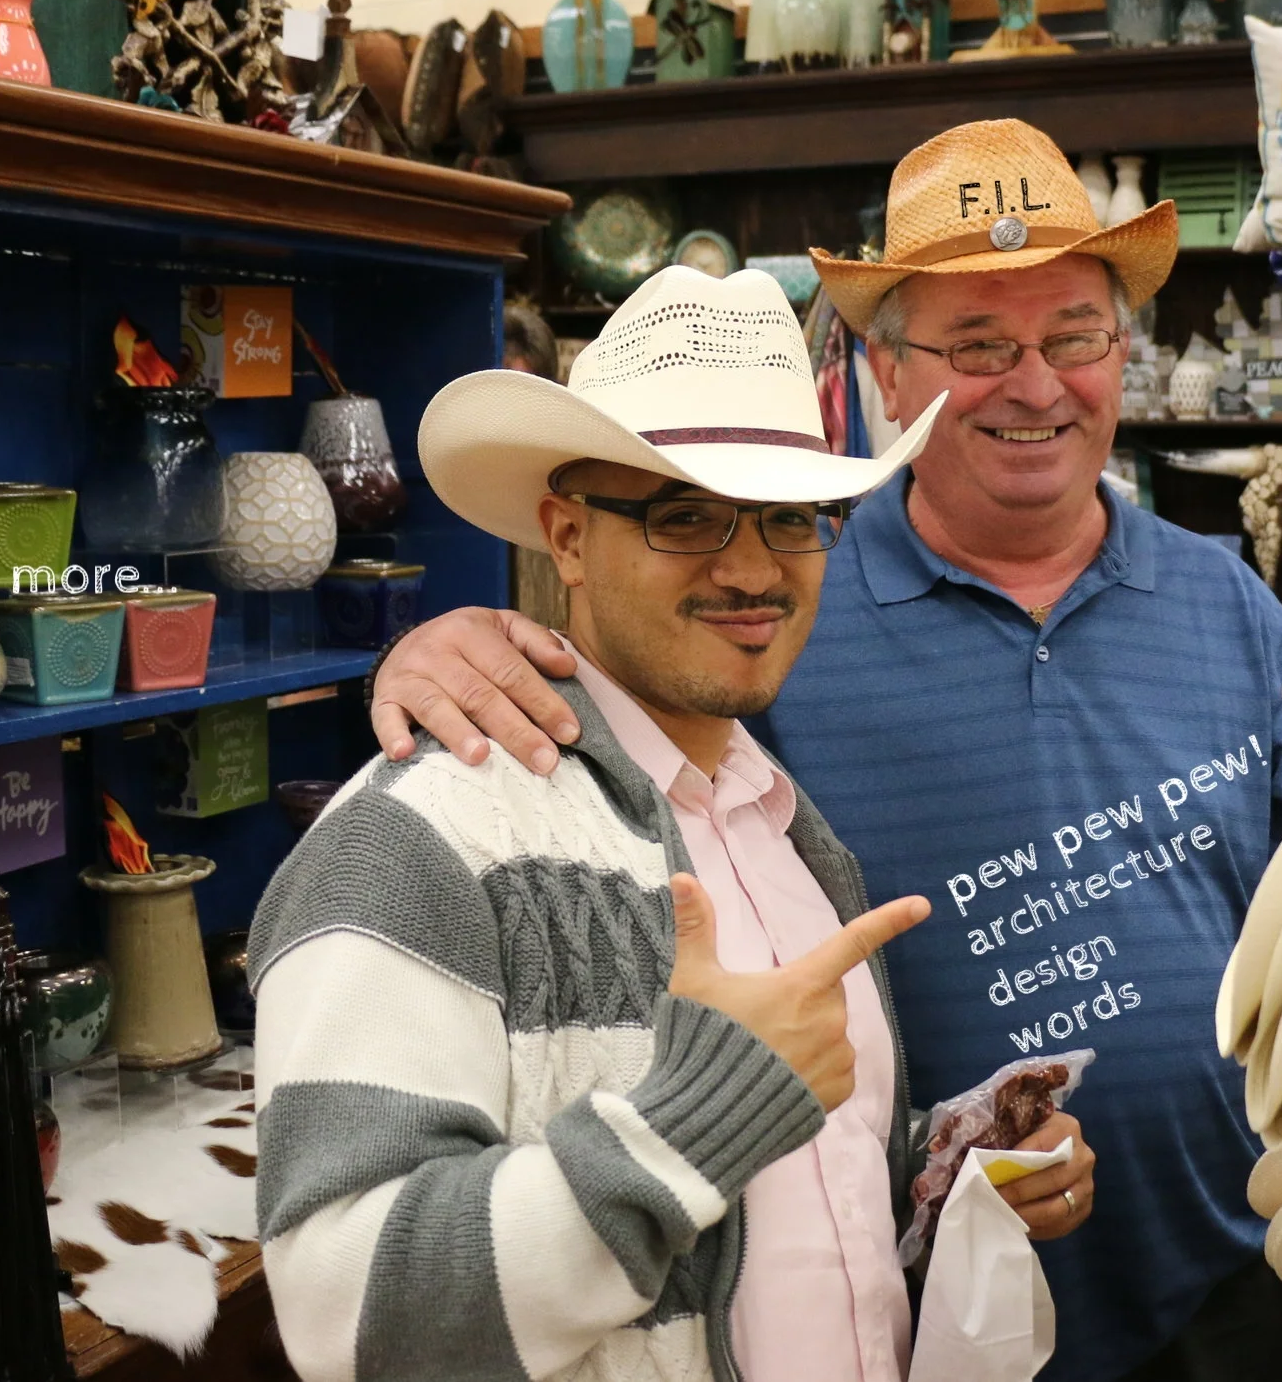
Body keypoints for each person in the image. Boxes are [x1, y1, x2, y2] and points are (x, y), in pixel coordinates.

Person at [370, 122, 1282, 1382]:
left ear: (1121, 347)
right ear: (885, 369)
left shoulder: (1228, 603)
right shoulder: (772, 611)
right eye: (977, 345)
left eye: (1074, 336)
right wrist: (444, 645)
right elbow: (610, 703)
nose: (1036, 385)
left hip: (1229, 1279)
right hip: (908, 1301)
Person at [251, 264, 1094, 1382]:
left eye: (789, 516)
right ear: (566, 537)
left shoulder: (783, 825)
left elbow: (783, 1202)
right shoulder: (422, 836)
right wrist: (700, 1113)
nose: (750, 567)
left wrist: (948, 1168)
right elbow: (345, 1312)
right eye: (683, 514)